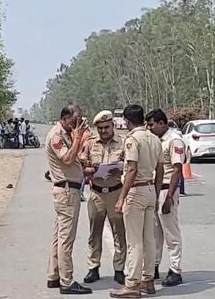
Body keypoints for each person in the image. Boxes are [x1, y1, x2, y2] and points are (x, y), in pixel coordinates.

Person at [110, 105, 164, 298]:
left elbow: (131, 169)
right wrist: (156, 194)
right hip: (150, 188)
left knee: (134, 241)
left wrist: (121, 197)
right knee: (149, 238)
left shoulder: (133, 140)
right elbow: (161, 170)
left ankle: (132, 284)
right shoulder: (155, 139)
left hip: (136, 190)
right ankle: (148, 280)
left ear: (127, 121)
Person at [45, 104, 93, 295]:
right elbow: (66, 159)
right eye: (75, 121)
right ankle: (67, 281)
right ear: (65, 118)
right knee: (67, 238)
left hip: (68, 189)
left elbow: (74, 160)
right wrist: (79, 137)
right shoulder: (56, 135)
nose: (78, 124)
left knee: (58, 237)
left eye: (80, 121)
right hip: (66, 192)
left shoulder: (66, 134)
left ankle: (54, 275)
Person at [79, 110, 127, 285]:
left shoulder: (123, 142)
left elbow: (131, 167)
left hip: (116, 191)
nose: (103, 131)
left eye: (106, 127)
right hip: (96, 192)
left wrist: (120, 169)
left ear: (113, 125)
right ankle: (93, 268)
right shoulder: (91, 143)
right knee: (94, 232)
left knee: (119, 232)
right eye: (100, 128)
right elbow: (81, 167)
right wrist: (92, 169)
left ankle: (120, 269)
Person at [146, 109, 185, 287]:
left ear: (162, 123)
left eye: (152, 124)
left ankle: (175, 270)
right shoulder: (155, 141)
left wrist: (169, 197)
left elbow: (177, 169)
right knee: (154, 233)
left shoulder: (174, 141)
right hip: (154, 190)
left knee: (171, 233)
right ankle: (153, 266)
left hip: (166, 190)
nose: (149, 127)